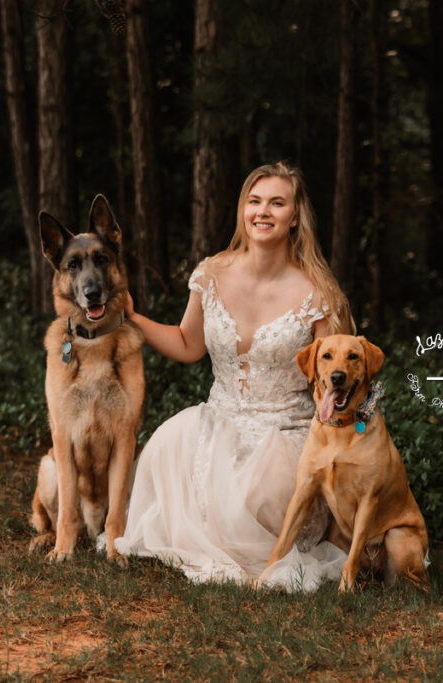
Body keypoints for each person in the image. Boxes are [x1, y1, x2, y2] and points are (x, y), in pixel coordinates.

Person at [116, 161, 354, 591]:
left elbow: (339, 379)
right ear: (243, 209)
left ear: (295, 216)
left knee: (255, 492)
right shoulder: (213, 272)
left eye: (277, 203)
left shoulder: (318, 292)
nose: (263, 212)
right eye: (254, 201)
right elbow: (189, 345)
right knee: (168, 447)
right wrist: (131, 318)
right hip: (217, 421)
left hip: (286, 433)